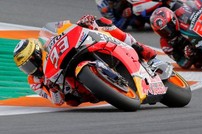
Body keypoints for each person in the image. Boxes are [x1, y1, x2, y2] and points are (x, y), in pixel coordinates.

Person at [13, 15, 161, 107]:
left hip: (73, 57)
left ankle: (140, 48)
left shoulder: (48, 46)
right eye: (26, 67)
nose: (31, 69)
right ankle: (106, 86)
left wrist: (82, 23)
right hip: (76, 91)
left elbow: (63, 31)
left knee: (102, 22)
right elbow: (56, 101)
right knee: (71, 101)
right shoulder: (34, 81)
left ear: (38, 52)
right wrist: (52, 88)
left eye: (31, 62)